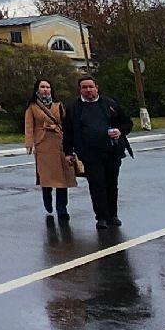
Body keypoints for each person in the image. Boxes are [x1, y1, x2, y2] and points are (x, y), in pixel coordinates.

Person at [62, 75, 133, 230]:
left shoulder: (110, 104)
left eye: (91, 87)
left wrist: (119, 131)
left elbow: (127, 123)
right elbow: (68, 132)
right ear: (80, 90)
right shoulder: (74, 108)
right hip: (89, 154)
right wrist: (68, 152)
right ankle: (101, 217)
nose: (88, 90)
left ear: (97, 88)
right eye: (84, 87)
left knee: (111, 184)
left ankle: (113, 215)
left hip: (112, 152)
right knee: (96, 185)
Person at [23, 78, 75, 220]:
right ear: (37, 89)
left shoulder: (58, 105)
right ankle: (47, 200)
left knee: (62, 179)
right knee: (46, 177)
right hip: (43, 144)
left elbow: (65, 123)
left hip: (59, 143)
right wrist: (29, 143)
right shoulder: (32, 107)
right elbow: (28, 126)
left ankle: (62, 208)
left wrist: (71, 142)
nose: (45, 89)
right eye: (42, 87)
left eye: (48, 87)